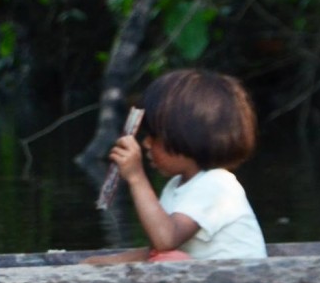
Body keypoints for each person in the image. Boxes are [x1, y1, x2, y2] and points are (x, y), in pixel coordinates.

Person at [85, 69, 265, 264]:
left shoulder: (217, 184)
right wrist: (101, 262)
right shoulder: (174, 187)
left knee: (169, 258)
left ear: (185, 137)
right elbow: (156, 249)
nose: (146, 143)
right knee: (166, 257)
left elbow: (165, 240)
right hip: (203, 278)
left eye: (154, 136)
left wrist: (136, 177)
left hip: (236, 280)